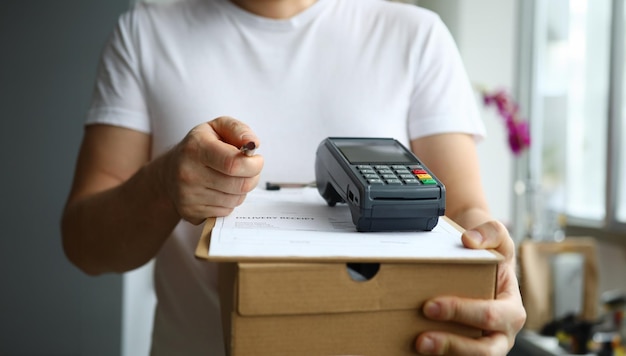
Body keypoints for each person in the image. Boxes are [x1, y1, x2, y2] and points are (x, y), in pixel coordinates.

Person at [61, 0, 526, 354]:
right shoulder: (146, 31)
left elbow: (464, 213)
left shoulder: (415, 34)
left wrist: (493, 273)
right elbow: (85, 245)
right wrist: (160, 185)